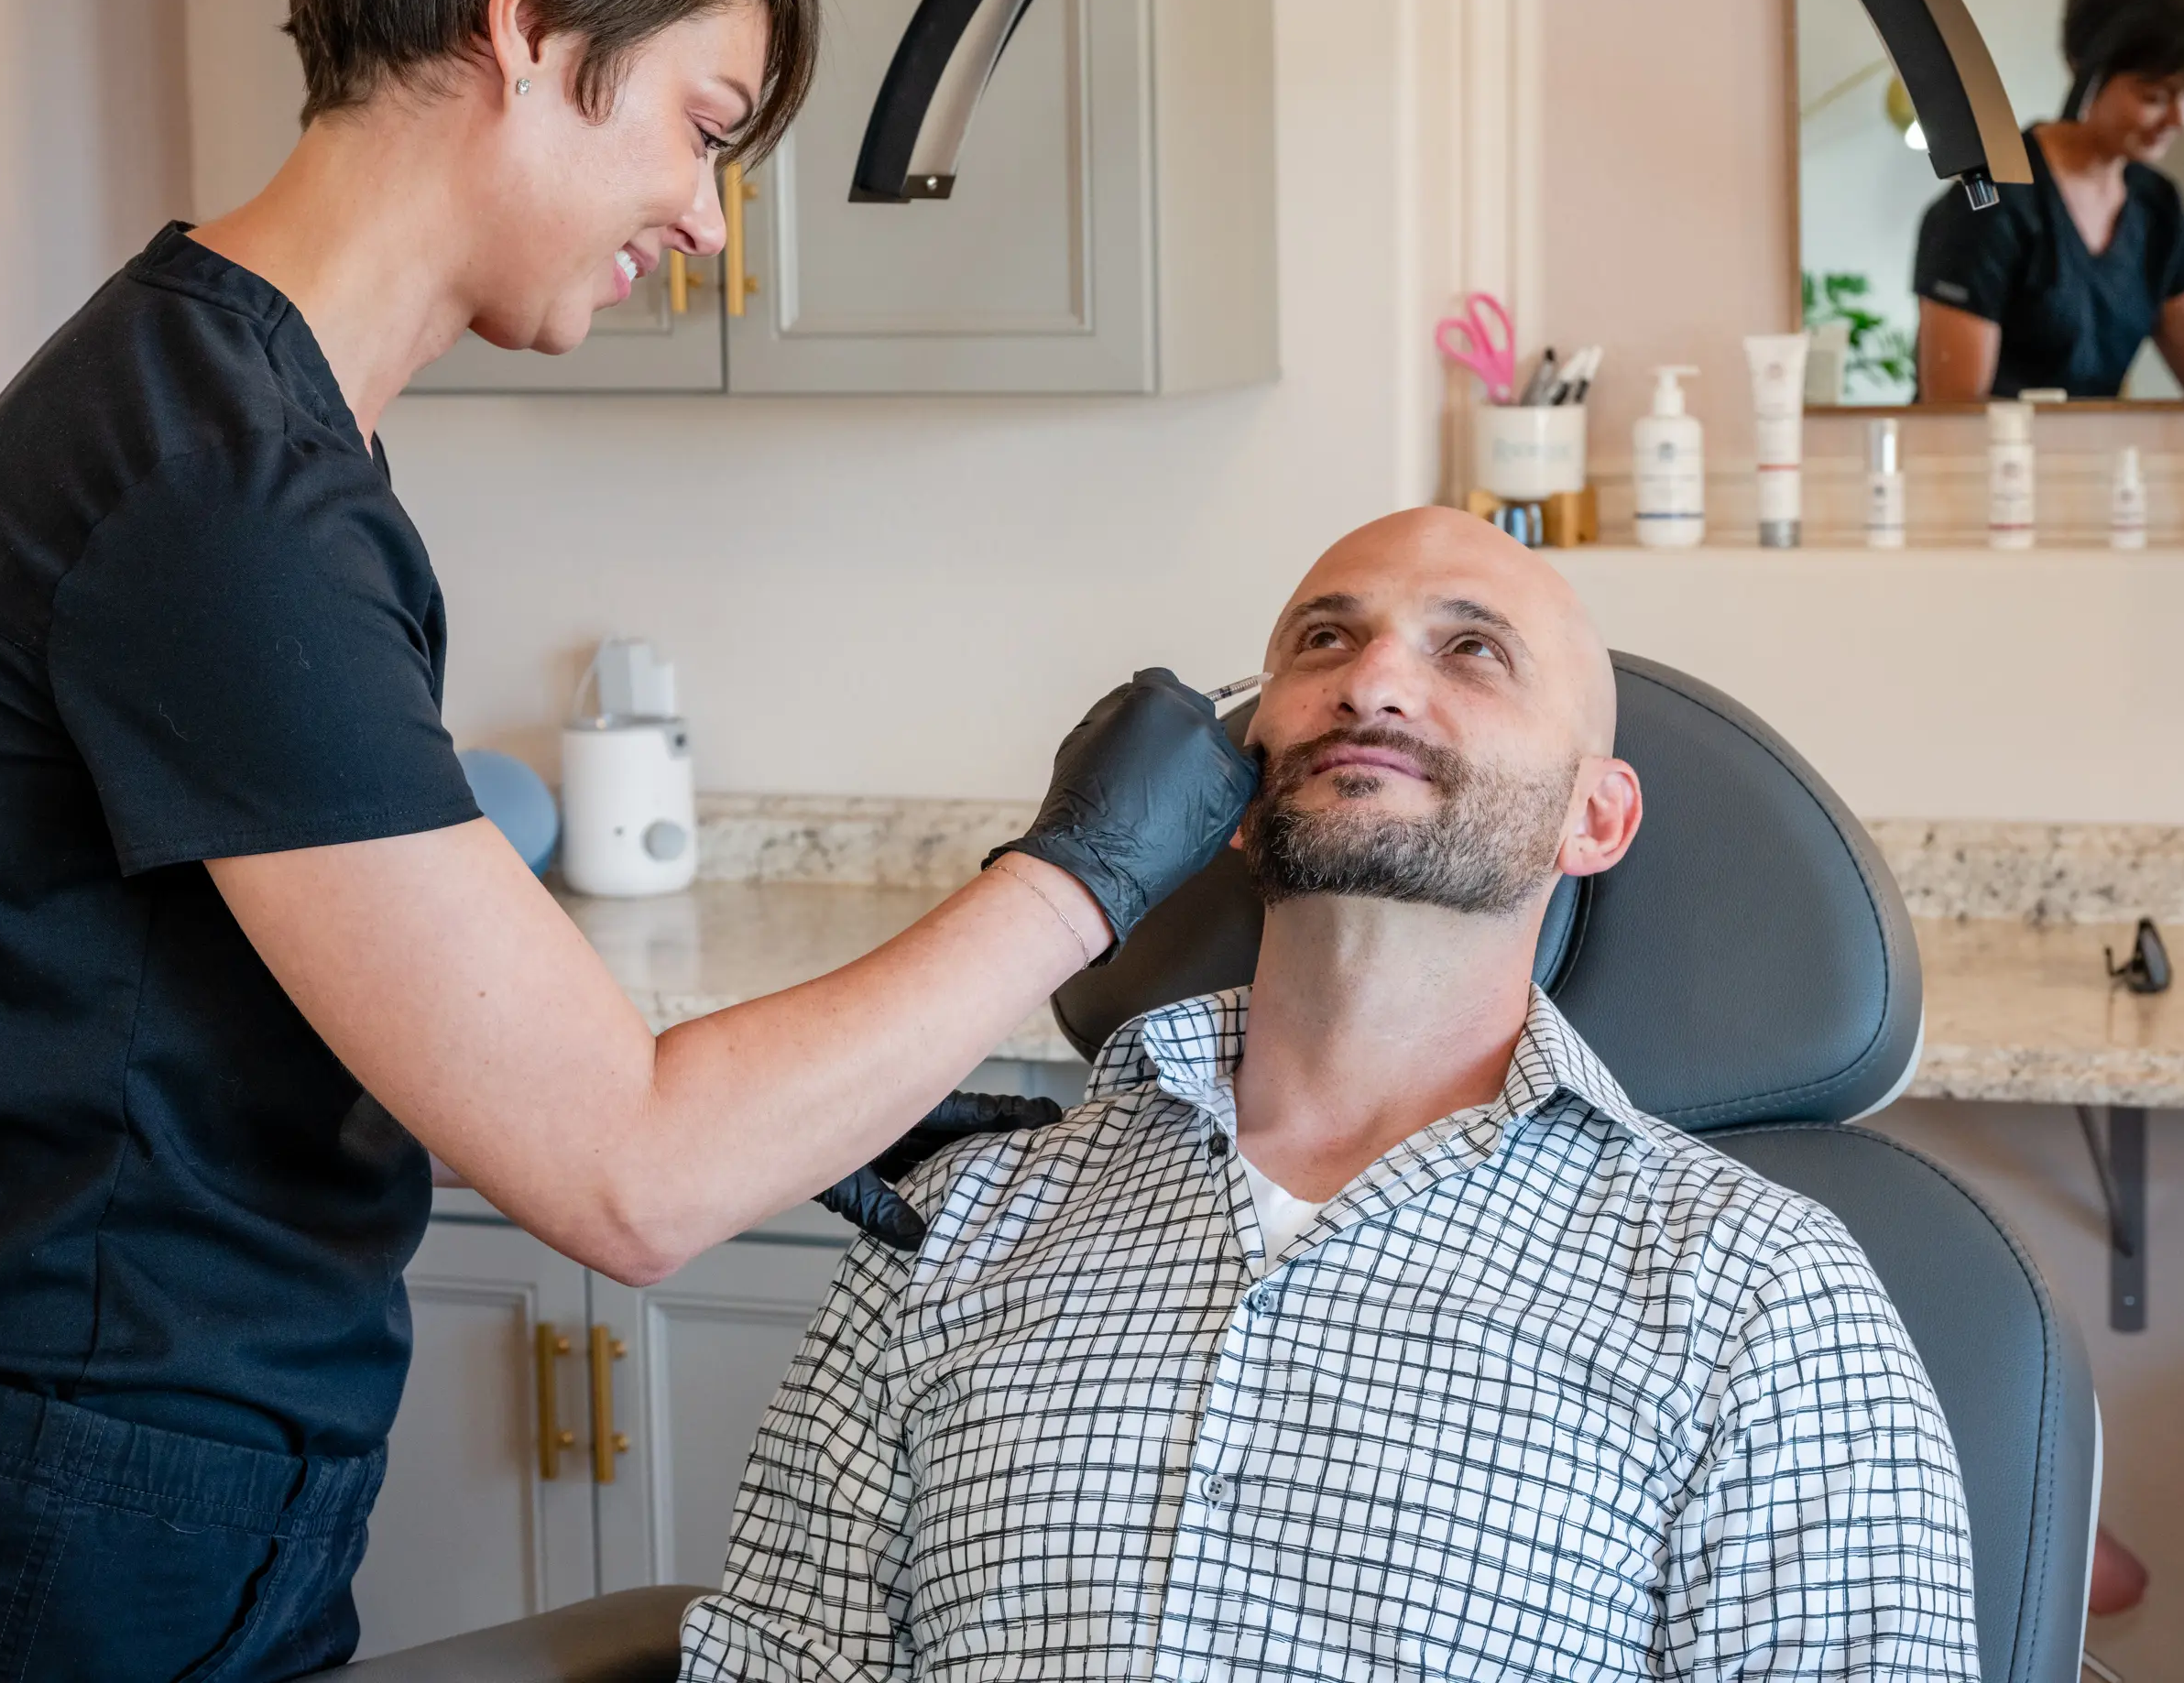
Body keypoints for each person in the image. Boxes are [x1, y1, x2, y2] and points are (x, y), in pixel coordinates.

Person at [0, 0, 1256, 1680]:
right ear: (526, 20)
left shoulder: (248, 425)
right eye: (702, 125)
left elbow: (377, 1031)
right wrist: (1081, 875)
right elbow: (625, 1175)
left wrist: (823, 1096)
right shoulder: (218, 492)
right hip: (26, 1564)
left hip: (158, 1518)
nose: (706, 217)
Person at [683, 508, 1982, 1683]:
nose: (1370, 683)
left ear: (1597, 818)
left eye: (1471, 652)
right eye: (1324, 641)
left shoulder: (1754, 1291)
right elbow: (774, 1660)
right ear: (1233, 797)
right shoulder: (959, 1225)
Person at [1916, 0, 2184, 401]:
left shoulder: (2156, 205)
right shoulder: (1989, 201)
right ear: (2080, 68)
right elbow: (1953, 415)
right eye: (2154, 96)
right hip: (1988, 467)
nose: (2181, 118)